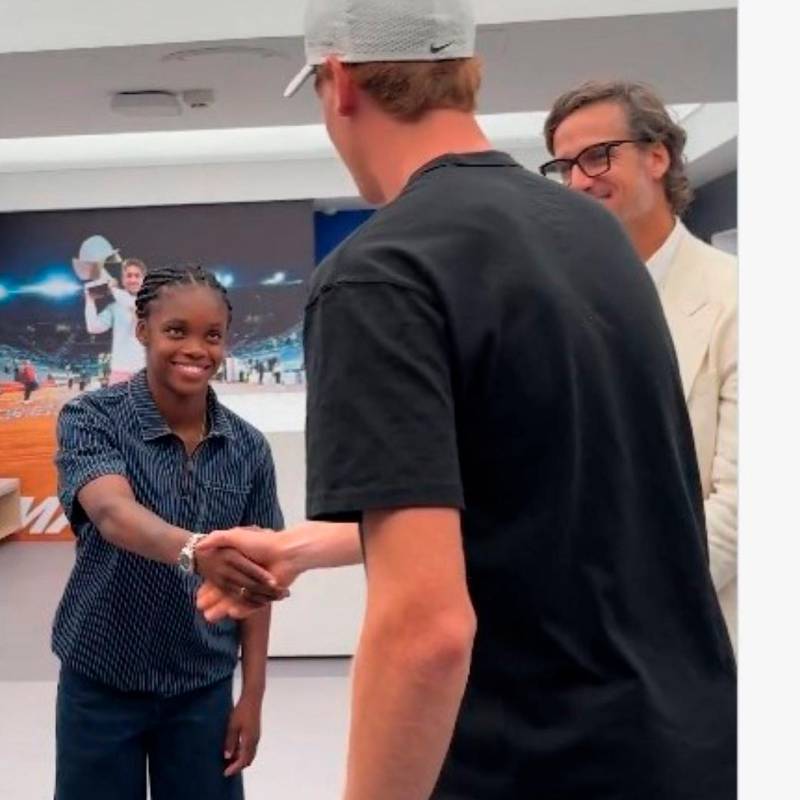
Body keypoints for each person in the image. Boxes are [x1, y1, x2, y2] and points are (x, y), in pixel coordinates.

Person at [197, 1, 736, 798]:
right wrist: (305, 547)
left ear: (339, 83)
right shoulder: (594, 237)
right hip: (680, 745)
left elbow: (426, 630)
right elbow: (540, 500)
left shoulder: (379, 273)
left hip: (533, 760)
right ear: (465, 72)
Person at [52, 264, 285, 800]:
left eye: (212, 336)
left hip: (201, 689)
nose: (196, 349)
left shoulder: (248, 449)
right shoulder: (91, 418)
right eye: (176, 331)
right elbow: (112, 513)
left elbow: (255, 583)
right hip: (100, 680)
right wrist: (195, 551)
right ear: (143, 331)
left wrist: (252, 694)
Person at [540, 80, 738, 648]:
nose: (579, 180)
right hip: (573, 640)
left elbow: (742, 508)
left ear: (658, 156)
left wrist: (622, 610)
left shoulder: (738, 298)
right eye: (564, 165)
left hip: (695, 632)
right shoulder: (555, 303)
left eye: (598, 155)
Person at [84, 257, 147, 384]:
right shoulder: (114, 307)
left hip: (145, 372)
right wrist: (90, 301)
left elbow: (134, 306)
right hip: (120, 372)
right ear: (123, 280)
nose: (133, 279)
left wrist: (111, 287)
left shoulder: (153, 302)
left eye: (137, 276)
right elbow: (93, 327)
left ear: (144, 279)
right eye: (129, 276)